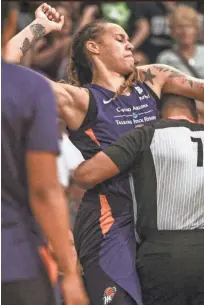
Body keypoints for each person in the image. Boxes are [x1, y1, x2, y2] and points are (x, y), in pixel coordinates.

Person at [5, 4, 204, 305]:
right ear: (93, 47)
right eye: (119, 38)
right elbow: (7, 72)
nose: (130, 43)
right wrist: (39, 26)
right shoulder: (79, 99)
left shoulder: (153, 78)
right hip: (110, 221)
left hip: (157, 225)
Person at [73, 94, 204, 305]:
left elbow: (86, 176)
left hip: (164, 254)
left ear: (158, 115)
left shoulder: (147, 134)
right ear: (196, 116)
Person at [1, 5, 87, 305]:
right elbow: (45, 190)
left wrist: (38, 27)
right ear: (11, 21)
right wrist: (70, 272)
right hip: (13, 260)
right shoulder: (28, 88)